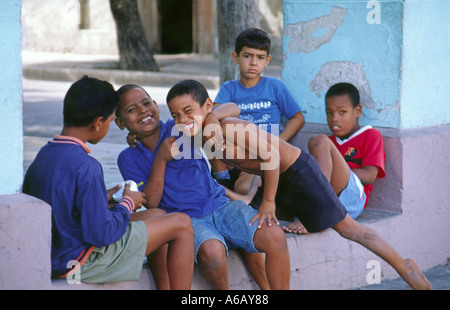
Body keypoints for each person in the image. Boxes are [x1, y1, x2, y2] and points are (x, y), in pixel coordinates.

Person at [167, 79, 432, 290]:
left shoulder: (228, 127)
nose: (182, 119)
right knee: (254, 230)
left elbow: (271, 156)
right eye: (176, 115)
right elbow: (226, 107)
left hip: (296, 173)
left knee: (350, 230)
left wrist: (268, 202)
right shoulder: (197, 134)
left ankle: (404, 266)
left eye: (188, 111)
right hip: (274, 180)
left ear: (207, 107)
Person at [22, 76, 194, 289]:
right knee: (182, 223)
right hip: (81, 260)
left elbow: (64, 203)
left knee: (158, 215)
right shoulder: (87, 165)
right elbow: (101, 234)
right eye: (111, 120)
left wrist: (104, 198)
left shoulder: (46, 154)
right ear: (97, 123)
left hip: (58, 252)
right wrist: (127, 203)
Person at [115, 83, 290, 290]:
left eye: (145, 103)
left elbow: (234, 107)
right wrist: (161, 159)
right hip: (188, 221)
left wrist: (213, 117)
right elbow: (151, 202)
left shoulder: (179, 125)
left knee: (274, 235)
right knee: (213, 255)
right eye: (131, 110)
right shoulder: (128, 158)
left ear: (155, 104)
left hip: (222, 206)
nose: (143, 110)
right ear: (120, 122)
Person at [212, 27, 305, 202]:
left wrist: (280, 142)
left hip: (265, 150)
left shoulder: (274, 87)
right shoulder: (229, 89)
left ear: (267, 60)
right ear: (235, 58)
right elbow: (215, 116)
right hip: (237, 150)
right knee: (208, 133)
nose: (253, 63)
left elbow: (298, 118)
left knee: (245, 186)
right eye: (247, 56)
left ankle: (241, 196)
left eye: (260, 57)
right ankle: (222, 182)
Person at [284, 82, 386, 234]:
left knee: (319, 140)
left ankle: (319, 213)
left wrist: (333, 170)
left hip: (352, 200)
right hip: (333, 197)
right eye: (329, 113)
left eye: (342, 112)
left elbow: (369, 176)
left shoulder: (370, 135)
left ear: (357, 111)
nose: (334, 119)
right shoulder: (330, 143)